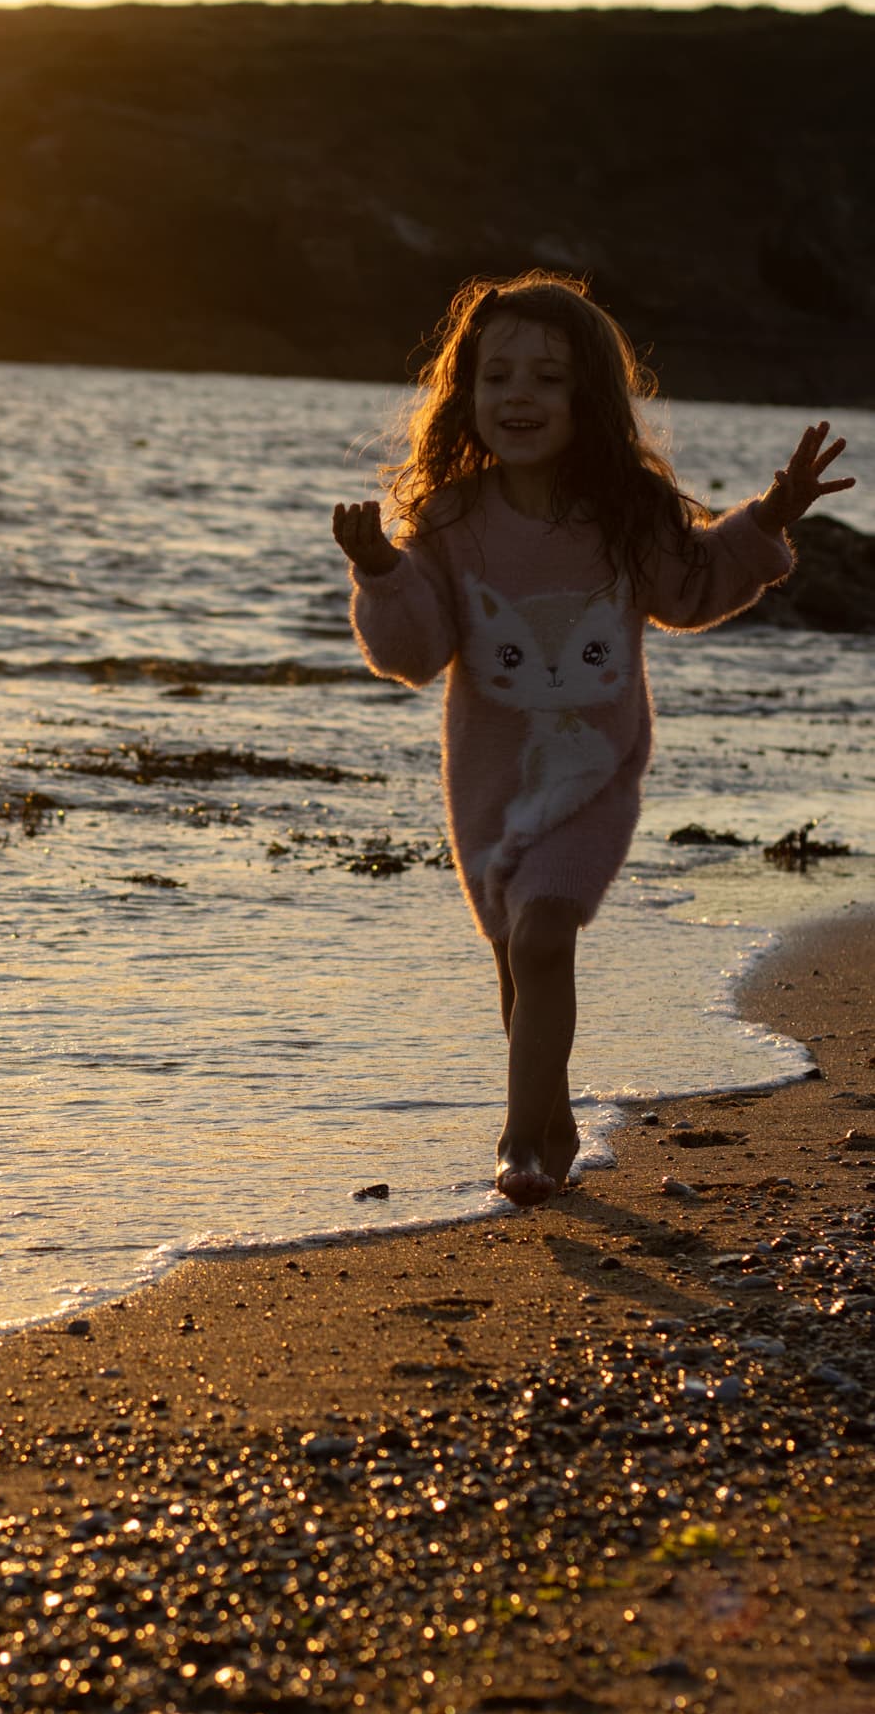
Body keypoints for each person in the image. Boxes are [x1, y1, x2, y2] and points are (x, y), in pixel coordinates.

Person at [332, 272, 855, 1209]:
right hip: (489, 776)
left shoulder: (627, 511)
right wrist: (379, 568)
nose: (518, 397)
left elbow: (693, 588)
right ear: (465, 394)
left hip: (590, 774)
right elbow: (414, 652)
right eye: (497, 378)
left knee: (540, 940)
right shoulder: (450, 518)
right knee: (515, 957)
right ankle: (556, 1115)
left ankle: (519, 1139)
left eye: (546, 378)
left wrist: (771, 514)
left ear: (590, 399)